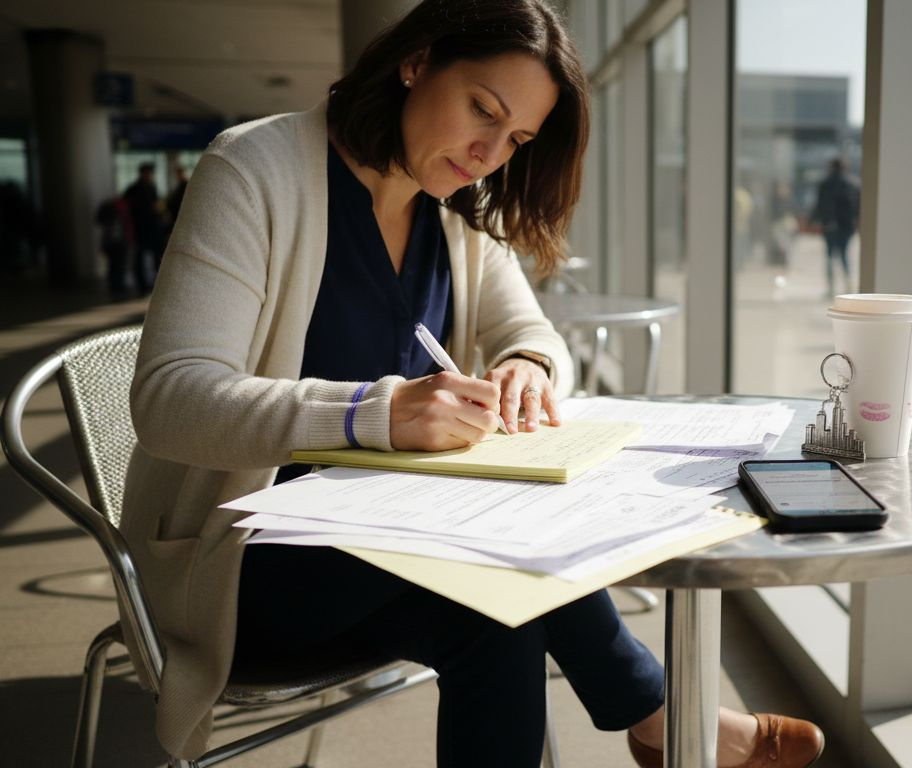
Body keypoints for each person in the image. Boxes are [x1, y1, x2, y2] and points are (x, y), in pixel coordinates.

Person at [120, 2, 824, 767]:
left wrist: (529, 368)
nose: (489, 152)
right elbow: (170, 400)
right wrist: (373, 411)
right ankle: (656, 713)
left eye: (516, 138)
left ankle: (653, 714)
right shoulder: (254, 170)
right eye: (481, 110)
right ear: (417, 62)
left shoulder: (453, 210)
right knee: (495, 577)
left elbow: (532, 332)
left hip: (386, 535)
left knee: (497, 610)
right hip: (243, 559)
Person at [812, 157, 859, 297]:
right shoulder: (852, 184)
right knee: (844, 256)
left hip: (830, 226)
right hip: (846, 226)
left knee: (830, 257)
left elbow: (820, 205)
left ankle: (831, 288)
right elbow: (857, 207)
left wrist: (817, 220)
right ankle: (847, 285)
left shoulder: (825, 184)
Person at [94, 194, 148, 297]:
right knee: (119, 265)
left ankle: (114, 286)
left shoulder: (110, 206)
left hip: (109, 242)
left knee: (112, 265)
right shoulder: (124, 208)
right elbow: (127, 226)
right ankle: (118, 287)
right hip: (120, 242)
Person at [165, 165, 189, 232]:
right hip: (176, 215)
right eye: (177, 174)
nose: (178, 175)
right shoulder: (179, 185)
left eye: (180, 173)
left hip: (182, 215)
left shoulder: (186, 185)